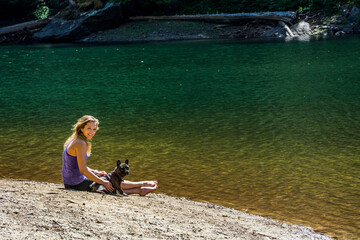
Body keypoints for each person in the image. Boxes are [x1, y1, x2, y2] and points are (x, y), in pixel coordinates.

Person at [62, 115, 157, 196]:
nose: (92, 132)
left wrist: (96, 172)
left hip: (72, 181)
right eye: (89, 128)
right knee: (109, 182)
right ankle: (140, 188)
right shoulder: (80, 143)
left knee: (109, 177)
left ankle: (141, 185)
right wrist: (103, 182)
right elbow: (83, 169)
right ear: (81, 128)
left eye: (94, 129)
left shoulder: (76, 139)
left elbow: (78, 165)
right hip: (76, 184)